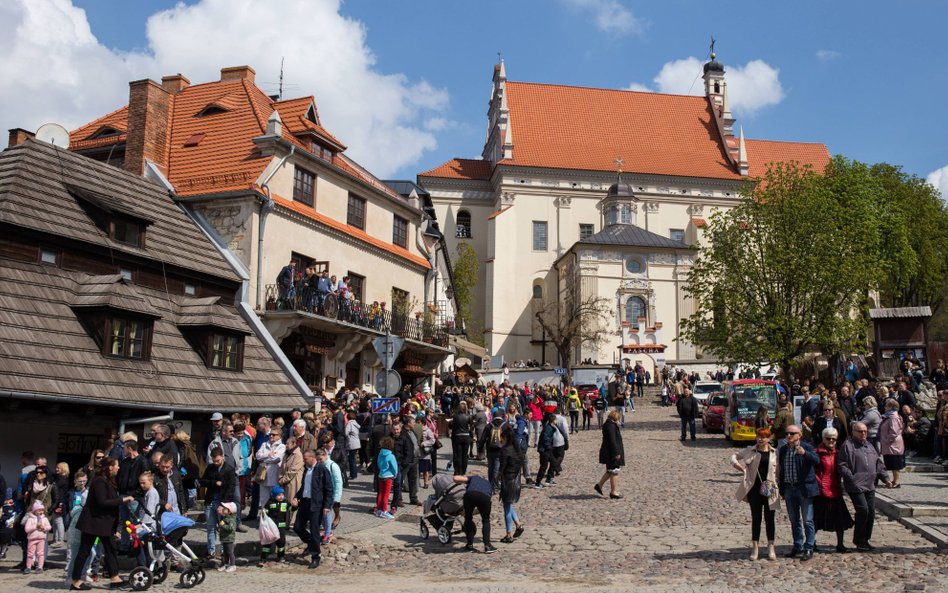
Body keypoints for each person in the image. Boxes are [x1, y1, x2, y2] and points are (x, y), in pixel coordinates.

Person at [70, 457, 134, 591]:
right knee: (84, 551)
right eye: (116, 465)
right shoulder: (99, 481)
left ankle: (115, 578)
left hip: (104, 523)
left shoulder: (108, 481)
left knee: (111, 549)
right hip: (93, 523)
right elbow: (102, 502)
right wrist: (122, 500)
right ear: (110, 467)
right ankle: (75, 581)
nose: (118, 468)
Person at [837, 421, 892, 551]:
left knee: (871, 512)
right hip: (855, 485)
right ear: (853, 432)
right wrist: (851, 478)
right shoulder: (848, 446)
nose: (863, 434)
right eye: (860, 431)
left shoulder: (870, 446)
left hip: (870, 485)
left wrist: (886, 479)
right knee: (863, 510)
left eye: (865, 431)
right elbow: (842, 465)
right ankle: (858, 539)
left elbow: (879, 464)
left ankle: (865, 539)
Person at [730, 427, 779, 561]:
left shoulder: (775, 453)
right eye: (758, 436)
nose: (759, 439)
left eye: (763, 437)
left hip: (770, 489)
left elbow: (779, 472)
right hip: (754, 489)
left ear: (769, 438)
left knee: (770, 519)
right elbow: (734, 456)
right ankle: (755, 547)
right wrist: (739, 467)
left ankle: (771, 547)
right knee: (756, 518)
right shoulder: (750, 450)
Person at [777, 424, 819, 560]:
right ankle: (798, 545)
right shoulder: (783, 450)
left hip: (804, 489)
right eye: (787, 434)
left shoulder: (807, 447)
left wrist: (805, 454)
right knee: (794, 520)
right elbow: (782, 470)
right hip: (789, 488)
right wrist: (781, 488)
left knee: (807, 520)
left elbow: (817, 461)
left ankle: (809, 547)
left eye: (792, 434)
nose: (789, 436)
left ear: (799, 435)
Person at [813, 427, 853, 553]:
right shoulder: (816, 452)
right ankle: (811, 542)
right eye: (828, 438)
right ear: (823, 438)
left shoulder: (839, 453)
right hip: (821, 490)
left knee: (839, 519)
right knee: (816, 519)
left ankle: (840, 544)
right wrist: (819, 483)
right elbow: (812, 471)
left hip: (835, 489)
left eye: (833, 439)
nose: (831, 441)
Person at [199, 447, 236, 562]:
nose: (216, 463)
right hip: (211, 500)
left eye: (218, 461)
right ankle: (211, 551)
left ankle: (225, 553)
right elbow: (203, 481)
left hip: (222, 502)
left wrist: (225, 504)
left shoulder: (229, 469)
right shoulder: (210, 468)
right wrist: (214, 483)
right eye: (214, 461)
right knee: (210, 527)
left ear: (222, 457)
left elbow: (231, 487)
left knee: (223, 528)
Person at [454, 473, 497, 554]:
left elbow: (456, 478)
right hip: (485, 497)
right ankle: (487, 546)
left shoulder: (473, 478)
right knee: (486, 520)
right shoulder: (488, 484)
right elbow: (485, 502)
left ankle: (469, 545)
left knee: (468, 518)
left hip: (470, 494)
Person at [497, 434, 525, 543]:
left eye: (501, 437)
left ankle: (509, 535)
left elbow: (502, 466)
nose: (500, 439)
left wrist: (497, 476)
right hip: (516, 480)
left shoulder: (505, 451)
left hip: (508, 481)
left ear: (506, 438)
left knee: (507, 508)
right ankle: (518, 525)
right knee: (508, 504)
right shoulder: (517, 450)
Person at [594, 410, 625, 499]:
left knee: (610, 471)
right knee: (615, 471)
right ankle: (614, 492)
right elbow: (612, 440)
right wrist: (616, 452)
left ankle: (599, 485)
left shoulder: (609, 425)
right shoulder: (611, 426)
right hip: (611, 452)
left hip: (608, 451)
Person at [256, 428, 286, 509]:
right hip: (263, 475)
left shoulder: (282, 446)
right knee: (263, 499)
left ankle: (273, 517)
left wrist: (264, 458)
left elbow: (277, 458)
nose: (271, 436)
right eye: (270, 434)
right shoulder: (264, 444)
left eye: (274, 434)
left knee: (274, 498)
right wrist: (268, 454)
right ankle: (263, 517)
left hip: (274, 476)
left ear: (279, 436)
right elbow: (258, 456)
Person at [260, 486, 290, 565]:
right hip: (272, 526)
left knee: (281, 542)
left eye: (282, 495)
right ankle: (263, 558)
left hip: (281, 526)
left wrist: (296, 505)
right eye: (279, 495)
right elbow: (265, 511)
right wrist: (263, 513)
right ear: (273, 495)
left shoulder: (285, 502)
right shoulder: (270, 502)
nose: (281, 497)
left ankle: (281, 556)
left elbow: (291, 508)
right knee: (268, 542)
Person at [879, 398, 905, 488]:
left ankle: (897, 481)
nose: (885, 407)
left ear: (891, 407)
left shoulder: (893, 417)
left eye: (886, 405)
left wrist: (887, 440)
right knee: (891, 462)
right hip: (890, 444)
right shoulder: (888, 416)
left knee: (895, 463)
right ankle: (894, 480)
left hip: (893, 444)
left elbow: (894, 432)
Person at [23, 500, 51, 573]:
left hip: (41, 539)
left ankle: (40, 567)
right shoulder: (30, 519)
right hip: (32, 539)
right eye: (39, 510)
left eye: (42, 510)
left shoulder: (44, 519)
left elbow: (49, 527)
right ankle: (28, 566)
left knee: (40, 553)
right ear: (35, 511)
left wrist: (44, 528)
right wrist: (35, 527)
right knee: (30, 553)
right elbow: (27, 529)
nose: (41, 512)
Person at [374, 437, 397, 519]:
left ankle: (378, 509)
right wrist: (395, 474)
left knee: (380, 493)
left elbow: (378, 464)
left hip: (381, 475)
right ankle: (384, 510)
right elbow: (394, 467)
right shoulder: (391, 456)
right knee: (386, 494)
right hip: (388, 476)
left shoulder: (380, 454)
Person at [449, 401, 472, 475]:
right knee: (465, 455)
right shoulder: (468, 416)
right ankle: (463, 471)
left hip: (458, 436)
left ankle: (458, 470)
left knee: (458, 454)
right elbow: (472, 427)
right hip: (466, 436)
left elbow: (453, 427)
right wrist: (471, 435)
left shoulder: (455, 416)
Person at [216, 502, 237, 573]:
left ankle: (233, 565)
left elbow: (231, 528)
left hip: (229, 538)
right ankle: (226, 564)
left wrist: (223, 525)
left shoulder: (231, 519)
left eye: (225, 509)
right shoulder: (225, 517)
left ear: (229, 511)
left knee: (230, 552)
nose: (223, 509)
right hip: (224, 538)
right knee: (225, 552)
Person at [344, 411, 361, 480]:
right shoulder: (355, 423)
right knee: (353, 459)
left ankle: (353, 474)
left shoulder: (349, 424)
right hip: (357, 442)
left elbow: (345, 433)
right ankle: (354, 474)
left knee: (351, 460)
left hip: (352, 443)